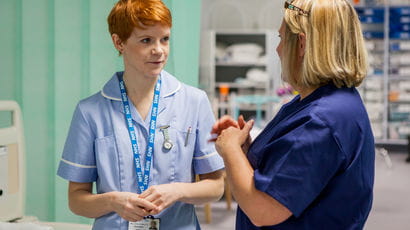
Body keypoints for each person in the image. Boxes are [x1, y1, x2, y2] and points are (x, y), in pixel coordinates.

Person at [57, 0, 224, 229]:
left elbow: (216, 187)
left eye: (164, 39)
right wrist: (113, 201)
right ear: (119, 42)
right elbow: (76, 200)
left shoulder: (194, 102)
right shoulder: (89, 112)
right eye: (146, 40)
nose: (159, 50)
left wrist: (177, 191)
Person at [212, 0, 375, 229]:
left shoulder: (321, 121)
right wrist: (245, 153)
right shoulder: (322, 102)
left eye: (281, 39)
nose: (278, 50)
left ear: (301, 44)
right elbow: (295, 171)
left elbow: (264, 210)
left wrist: (229, 149)